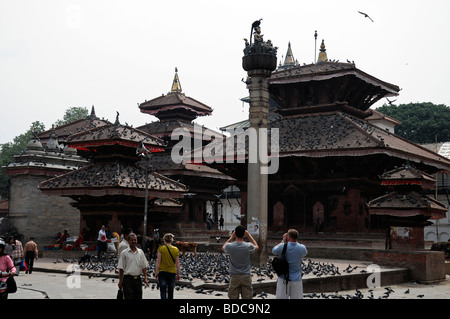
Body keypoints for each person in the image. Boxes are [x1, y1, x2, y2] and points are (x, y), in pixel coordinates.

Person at [222, 225, 258, 299]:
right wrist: (249, 235)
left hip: (234, 275)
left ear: (235, 233)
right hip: (246, 275)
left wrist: (232, 237)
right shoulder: (248, 246)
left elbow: (223, 247)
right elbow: (256, 247)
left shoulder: (230, 246)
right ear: (244, 234)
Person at [272, 229, 308, 299]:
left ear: (288, 237)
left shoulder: (283, 246)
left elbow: (274, 250)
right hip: (297, 279)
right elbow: (304, 253)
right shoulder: (302, 248)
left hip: (283, 278)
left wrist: (283, 241)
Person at [117, 233, 148, 299]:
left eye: (135, 240)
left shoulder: (140, 252)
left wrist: (145, 278)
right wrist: (120, 281)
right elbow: (121, 269)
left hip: (138, 280)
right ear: (128, 241)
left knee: (138, 297)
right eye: (132, 240)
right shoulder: (124, 253)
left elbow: (144, 266)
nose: (134, 241)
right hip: (127, 280)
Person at [155, 233, 181, 299]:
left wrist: (156, 272)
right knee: (170, 290)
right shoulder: (176, 249)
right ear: (172, 240)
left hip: (162, 272)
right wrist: (178, 274)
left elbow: (158, 262)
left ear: (164, 240)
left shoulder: (161, 249)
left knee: (163, 290)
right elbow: (177, 263)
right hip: (172, 272)